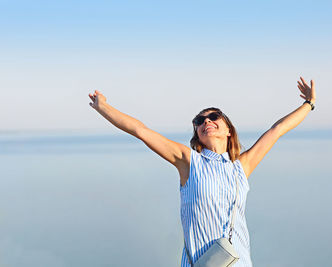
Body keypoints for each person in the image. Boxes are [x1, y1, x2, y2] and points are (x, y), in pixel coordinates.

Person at [88, 77, 316, 266]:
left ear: (228, 130)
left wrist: (309, 103)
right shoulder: (189, 162)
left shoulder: (241, 166)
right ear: (197, 132)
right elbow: (141, 130)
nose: (206, 121)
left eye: (214, 116)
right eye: (199, 120)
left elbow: (276, 130)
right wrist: (103, 107)